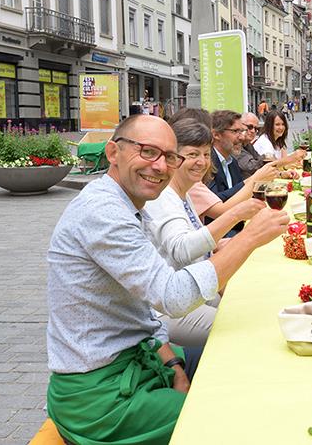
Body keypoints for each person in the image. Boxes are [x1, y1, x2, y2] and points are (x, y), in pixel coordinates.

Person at [46, 115, 289, 445]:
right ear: (113, 152)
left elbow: (146, 308)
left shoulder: (131, 204)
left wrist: (173, 362)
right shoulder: (102, 211)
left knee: (240, 360)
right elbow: (172, 297)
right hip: (96, 397)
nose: (160, 166)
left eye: (169, 156)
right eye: (147, 152)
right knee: (232, 419)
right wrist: (248, 239)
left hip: (139, 362)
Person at [143, 119, 265, 346]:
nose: (201, 162)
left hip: (193, 292)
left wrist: (220, 245)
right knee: (242, 333)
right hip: (166, 309)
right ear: (172, 157)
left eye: (206, 155)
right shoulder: (163, 197)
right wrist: (237, 218)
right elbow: (181, 250)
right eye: (192, 155)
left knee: (253, 310)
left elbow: (193, 243)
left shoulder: (183, 192)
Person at [208, 110, 246, 201]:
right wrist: (251, 181)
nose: (242, 137)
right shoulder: (207, 163)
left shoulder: (233, 162)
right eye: (235, 131)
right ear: (216, 135)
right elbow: (214, 201)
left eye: (241, 131)